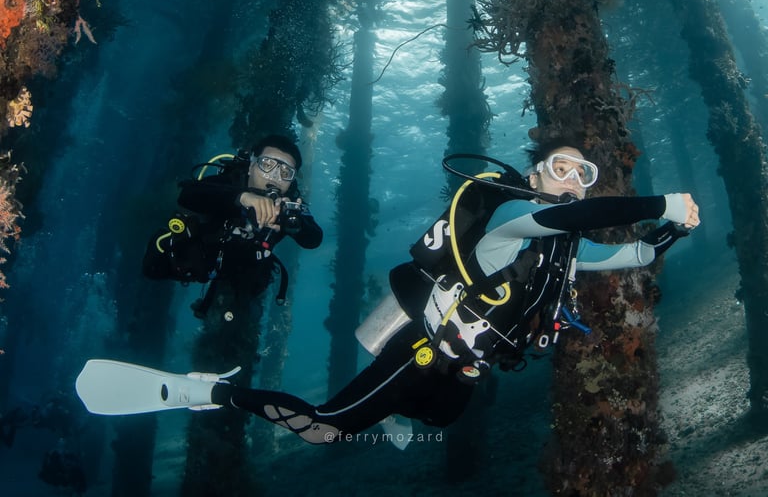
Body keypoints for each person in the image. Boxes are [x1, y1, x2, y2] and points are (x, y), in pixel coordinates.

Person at [86, 139, 699, 443]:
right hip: (426, 344)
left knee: (436, 416)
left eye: (584, 173)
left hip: (466, 369)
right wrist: (663, 202)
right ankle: (211, 392)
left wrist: (668, 234)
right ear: (536, 174)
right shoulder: (517, 215)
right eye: (561, 167)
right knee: (331, 426)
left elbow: (631, 253)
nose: (574, 179)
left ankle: (395, 409)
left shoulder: (562, 249)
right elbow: (570, 221)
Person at [142, 134, 322, 315]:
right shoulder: (231, 181)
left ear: (291, 181)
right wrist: (241, 198)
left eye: (285, 173)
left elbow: (314, 238)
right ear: (251, 166)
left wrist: (293, 224)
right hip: (205, 255)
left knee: (248, 293)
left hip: (246, 266)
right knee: (156, 267)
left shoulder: (289, 205)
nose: (275, 176)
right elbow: (188, 194)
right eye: (267, 165)